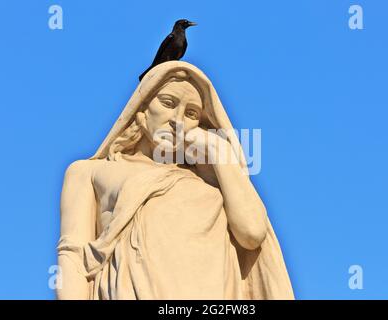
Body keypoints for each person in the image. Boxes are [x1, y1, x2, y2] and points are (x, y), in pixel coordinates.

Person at [57, 61, 294, 300]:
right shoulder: (89, 171)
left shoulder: (211, 181)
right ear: (141, 109)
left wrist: (219, 151)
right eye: (168, 103)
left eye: (191, 113)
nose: (177, 119)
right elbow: (73, 258)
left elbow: (252, 233)